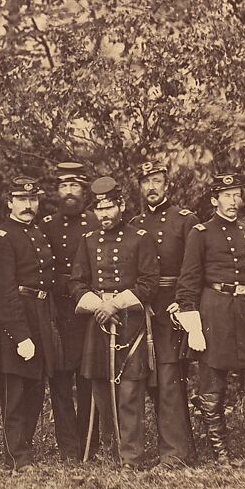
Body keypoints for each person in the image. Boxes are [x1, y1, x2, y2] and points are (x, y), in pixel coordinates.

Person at [176, 172, 245, 466]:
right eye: (227, 196)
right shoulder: (201, 232)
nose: (234, 201)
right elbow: (188, 281)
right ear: (214, 200)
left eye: (237, 195)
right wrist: (192, 323)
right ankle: (221, 456)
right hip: (214, 312)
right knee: (212, 388)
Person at [70, 176, 159, 469]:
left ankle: (131, 456)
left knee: (130, 390)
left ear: (121, 205)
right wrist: (99, 305)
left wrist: (115, 304)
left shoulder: (139, 238)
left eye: (109, 207)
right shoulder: (87, 240)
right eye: (99, 209)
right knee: (100, 389)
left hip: (129, 322)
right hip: (98, 322)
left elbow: (149, 283)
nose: (104, 214)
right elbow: (77, 283)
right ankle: (112, 449)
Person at [0, 176, 63, 470]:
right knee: (15, 391)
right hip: (15, 320)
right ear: (9, 203)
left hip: (40, 314)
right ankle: (16, 455)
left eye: (32, 200)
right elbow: (0, 292)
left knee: (34, 387)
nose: (28, 205)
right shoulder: (3, 237)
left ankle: (23, 449)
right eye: (21, 200)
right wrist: (20, 335)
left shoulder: (37, 233)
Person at [130, 161, 197, 468]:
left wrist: (183, 304)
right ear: (140, 188)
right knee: (153, 380)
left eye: (157, 180)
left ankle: (176, 453)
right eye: (147, 182)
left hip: (172, 309)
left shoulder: (184, 221)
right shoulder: (133, 223)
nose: (152, 187)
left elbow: (192, 268)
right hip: (143, 309)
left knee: (170, 377)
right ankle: (170, 446)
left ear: (167, 185)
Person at [40, 161, 97, 460]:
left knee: (88, 380)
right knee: (60, 382)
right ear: (57, 191)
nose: (69, 192)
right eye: (64, 186)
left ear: (84, 191)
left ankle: (90, 444)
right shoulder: (47, 225)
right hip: (58, 315)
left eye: (74, 186)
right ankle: (68, 447)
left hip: (87, 314)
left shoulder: (95, 223)